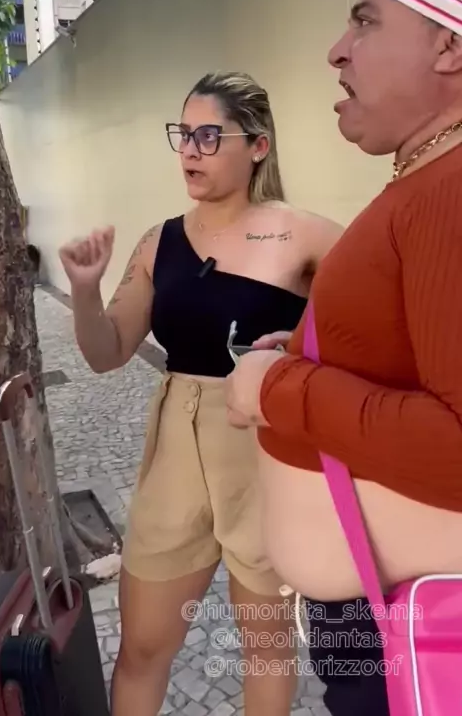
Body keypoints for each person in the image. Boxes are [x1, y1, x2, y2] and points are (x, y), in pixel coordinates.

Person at [226, 0, 462, 716]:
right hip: (379, 617)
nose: (337, 50)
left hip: (407, 629)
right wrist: (303, 352)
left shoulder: (452, 189)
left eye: (365, 22)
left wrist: (277, 390)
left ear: (449, 45)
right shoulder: (429, 175)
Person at [58, 71, 342, 716]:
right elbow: (106, 353)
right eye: (183, 135)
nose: (189, 149)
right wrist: (84, 289)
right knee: (142, 646)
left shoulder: (306, 235)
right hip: (176, 449)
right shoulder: (158, 242)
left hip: (266, 450)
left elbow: (369, 326)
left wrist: (303, 352)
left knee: (266, 651)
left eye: (209, 136)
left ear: (258, 145)